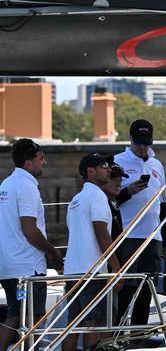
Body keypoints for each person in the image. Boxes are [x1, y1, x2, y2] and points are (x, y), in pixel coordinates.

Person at [0, 139, 62, 350]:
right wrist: (52, 252)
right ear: (28, 163)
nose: (43, 162)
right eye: (40, 158)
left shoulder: (6, 184)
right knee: (31, 317)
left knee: (17, 315)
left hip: (9, 265)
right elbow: (29, 229)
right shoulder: (27, 187)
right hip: (27, 268)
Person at [113, 119, 166, 327]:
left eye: (146, 143)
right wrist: (128, 192)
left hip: (152, 237)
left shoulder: (156, 164)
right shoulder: (117, 161)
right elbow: (109, 201)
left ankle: (138, 338)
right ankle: (116, 335)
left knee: (147, 290)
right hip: (127, 236)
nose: (143, 148)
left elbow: (163, 205)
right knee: (126, 289)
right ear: (130, 139)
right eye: (138, 143)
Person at [63, 153, 122, 351]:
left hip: (72, 270)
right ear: (90, 171)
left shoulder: (76, 199)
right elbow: (101, 233)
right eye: (104, 166)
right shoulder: (97, 195)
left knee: (74, 324)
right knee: (93, 323)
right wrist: (116, 268)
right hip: (92, 271)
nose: (109, 169)